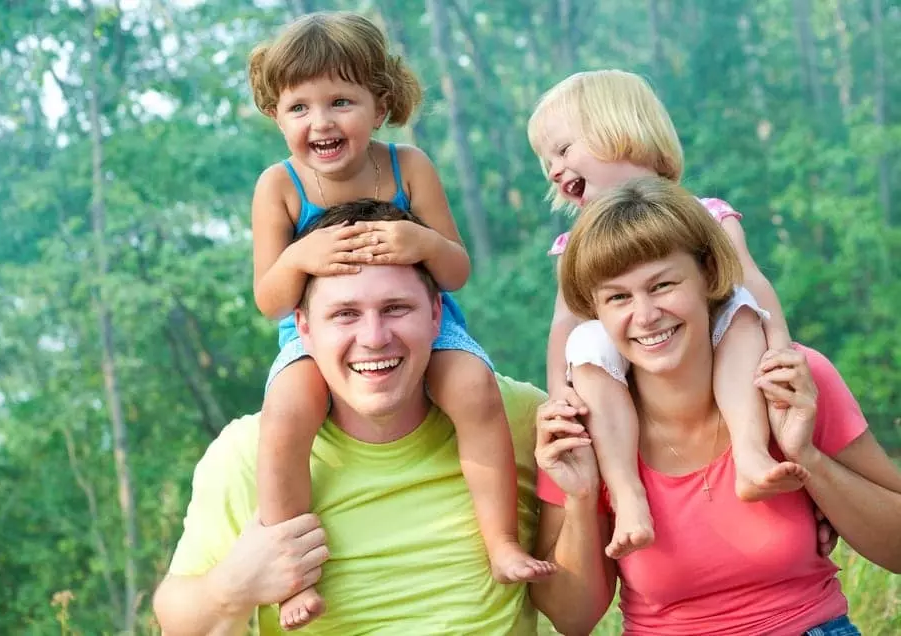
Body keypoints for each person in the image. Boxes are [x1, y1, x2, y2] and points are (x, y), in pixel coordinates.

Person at [247, 13, 549, 628]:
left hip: (425, 325)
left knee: (472, 387)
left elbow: (457, 268)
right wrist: (300, 256)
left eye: (340, 101)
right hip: (317, 337)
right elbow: (270, 298)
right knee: (286, 410)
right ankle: (293, 578)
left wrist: (419, 240)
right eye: (299, 107)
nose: (321, 122)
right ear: (276, 115)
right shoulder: (278, 186)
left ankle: (500, 544)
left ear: (379, 106)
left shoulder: (407, 167)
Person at [154, 199, 551, 636]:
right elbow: (176, 618)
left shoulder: (514, 417)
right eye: (345, 314)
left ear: (437, 313)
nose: (375, 338)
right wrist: (232, 587)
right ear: (303, 328)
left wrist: (584, 494)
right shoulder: (251, 451)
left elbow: (581, 611)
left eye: (396, 308)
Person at [530, 177, 901, 635]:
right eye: (619, 297)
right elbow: (571, 619)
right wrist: (582, 497)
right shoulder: (581, 424)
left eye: (663, 285)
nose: (645, 316)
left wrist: (809, 459)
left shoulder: (788, 382)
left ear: (707, 275)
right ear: (595, 310)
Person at [526, 69, 807, 559]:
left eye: (565, 149)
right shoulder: (576, 246)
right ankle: (628, 493)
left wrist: (780, 346)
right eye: (546, 159)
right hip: (629, 369)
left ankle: (748, 451)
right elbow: (565, 326)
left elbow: (753, 282)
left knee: (741, 308)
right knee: (586, 345)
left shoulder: (706, 214)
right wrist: (560, 397)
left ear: (622, 132)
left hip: (711, 352)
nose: (553, 167)